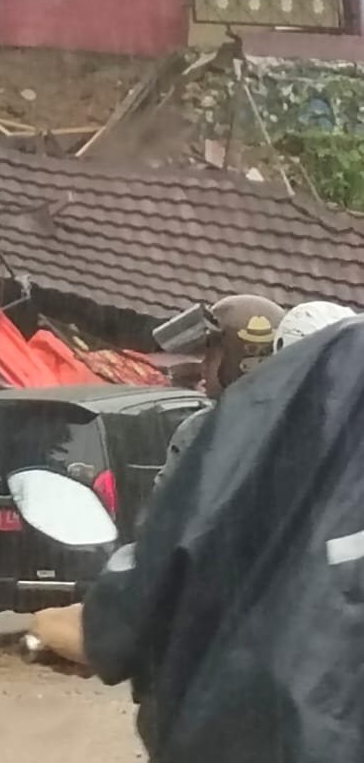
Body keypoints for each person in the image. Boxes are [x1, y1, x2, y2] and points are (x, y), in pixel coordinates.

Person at [82, 315, 364, 761]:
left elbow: (149, 579)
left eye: (212, 354)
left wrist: (107, 630)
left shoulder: (236, 442)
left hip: (257, 725)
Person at [152, 294, 283, 492]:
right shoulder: (197, 429)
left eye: (210, 357)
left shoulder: (200, 433)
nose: (202, 366)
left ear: (241, 362)